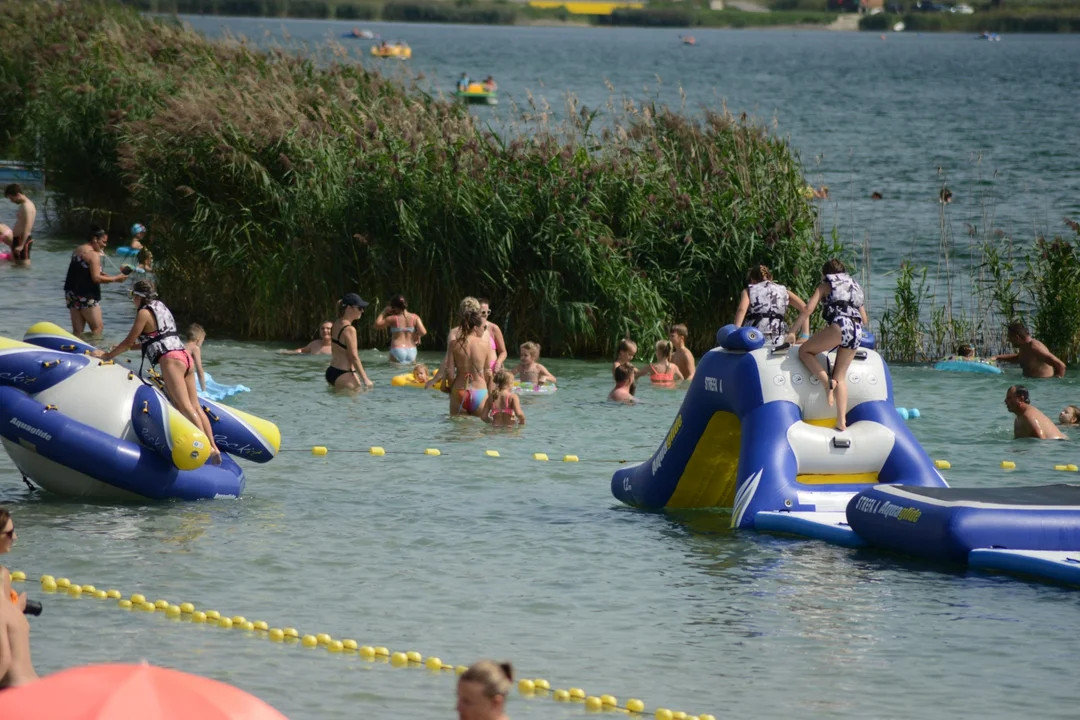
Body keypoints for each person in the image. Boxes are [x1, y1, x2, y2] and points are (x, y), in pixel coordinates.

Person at [94, 280, 222, 464]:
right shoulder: (161, 307)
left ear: (138, 297)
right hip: (185, 357)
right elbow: (157, 339)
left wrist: (107, 355)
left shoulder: (144, 313)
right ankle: (214, 446)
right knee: (195, 406)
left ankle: (208, 449)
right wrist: (127, 348)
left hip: (171, 360)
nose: (133, 301)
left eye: (133, 296)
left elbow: (130, 341)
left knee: (184, 406)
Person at [795, 259, 869, 432]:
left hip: (840, 326)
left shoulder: (825, 286)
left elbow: (807, 310)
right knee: (841, 378)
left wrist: (793, 331)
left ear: (825, 274)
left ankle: (826, 382)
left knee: (804, 351)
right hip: (856, 329)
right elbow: (864, 319)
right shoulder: (855, 286)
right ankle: (841, 421)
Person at [64, 226, 130, 336]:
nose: (105, 245)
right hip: (86, 294)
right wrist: (116, 279)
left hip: (71, 293)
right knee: (97, 328)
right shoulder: (93, 255)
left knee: (77, 331)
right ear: (95, 239)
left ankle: (75, 350)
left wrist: (101, 273)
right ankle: (93, 351)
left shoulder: (78, 250)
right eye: (103, 242)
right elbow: (96, 278)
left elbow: (81, 270)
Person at [733, 264, 808, 345]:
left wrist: (735, 332)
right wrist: (805, 335)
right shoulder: (784, 290)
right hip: (779, 335)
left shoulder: (749, 290)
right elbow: (805, 308)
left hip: (754, 334)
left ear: (752, 280)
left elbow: (742, 310)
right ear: (771, 278)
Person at [448, 305, 495, 417]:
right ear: (475, 328)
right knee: (478, 431)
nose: (484, 330)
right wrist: (491, 395)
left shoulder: (453, 344)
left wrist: (451, 390)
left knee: (457, 432)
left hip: (459, 390)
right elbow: (488, 372)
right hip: (480, 391)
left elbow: (450, 373)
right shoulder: (485, 344)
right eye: (483, 327)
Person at [326, 293, 374, 390]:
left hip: (331, 371)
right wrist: (365, 379)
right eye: (359, 308)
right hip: (344, 374)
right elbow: (354, 357)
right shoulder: (349, 329)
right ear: (348, 308)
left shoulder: (336, 323)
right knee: (356, 403)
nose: (362, 311)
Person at [992, 321, 1066, 379]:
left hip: (1042, 385)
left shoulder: (1035, 347)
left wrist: (1055, 383)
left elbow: (1060, 365)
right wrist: (997, 357)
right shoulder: (1024, 346)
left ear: (1017, 337)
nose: (1009, 340)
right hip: (1032, 383)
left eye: (1010, 338)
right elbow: (1020, 358)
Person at [374, 295, 427, 364]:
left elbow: (376, 325)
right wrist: (416, 334)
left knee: (395, 372)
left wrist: (384, 312)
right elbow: (423, 332)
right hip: (412, 350)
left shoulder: (392, 318)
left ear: (394, 307)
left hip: (397, 349)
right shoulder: (415, 317)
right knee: (411, 372)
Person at [5, 184, 36, 266]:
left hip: (22, 240)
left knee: (24, 266)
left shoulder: (27, 207)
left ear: (18, 194)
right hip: (18, 239)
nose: (12, 201)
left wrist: (22, 245)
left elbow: (28, 227)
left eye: (12, 198)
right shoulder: (24, 205)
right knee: (17, 267)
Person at [478, 299, 507, 371]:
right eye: (483, 312)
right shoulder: (469, 329)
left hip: (492, 368)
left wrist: (498, 362)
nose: (486, 314)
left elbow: (503, 351)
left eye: (488, 312)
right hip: (475, 369)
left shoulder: (494, 328)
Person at [184, 324, 208, 393]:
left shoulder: (182, 346)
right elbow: (199, 370)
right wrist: (204, 390)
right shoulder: (195, 348)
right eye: (202, 340)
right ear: (198, 340)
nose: (202, 343)